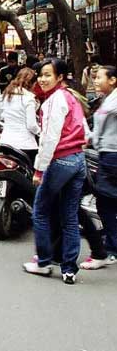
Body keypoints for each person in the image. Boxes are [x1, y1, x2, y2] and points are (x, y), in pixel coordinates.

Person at [23, 58, 88, 284]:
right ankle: (69, 268)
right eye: (40, 74)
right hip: (78, 160)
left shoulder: (54, 101)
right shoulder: (72, 98)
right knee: (69, 217)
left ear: (60, 77)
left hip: (60, 161)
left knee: (40, 211)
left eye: (48, 74)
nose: (42, 79)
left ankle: (43, 261)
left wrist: (39, 170)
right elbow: (86, 133)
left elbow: (49, 139)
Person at [82, 65, 117, 270]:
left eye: (99, 77)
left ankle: (112, 247)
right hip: (106, 154)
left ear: (112, 80)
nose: (95, 80)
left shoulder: (113, 101)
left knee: (105, 202)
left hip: (112, 156)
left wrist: (90, 140)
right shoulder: (107, 99)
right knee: (107, 202)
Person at [0, 68, 40, 161]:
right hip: (26, 145)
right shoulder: (29, 98)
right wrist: (40, 132)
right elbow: (31, 125)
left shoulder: (6, 94)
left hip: (6, 143)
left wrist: (7, 115)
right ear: (32, 83)